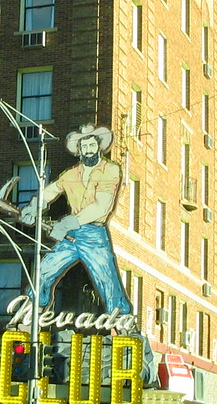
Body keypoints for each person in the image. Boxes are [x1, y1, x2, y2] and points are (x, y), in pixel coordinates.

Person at [18, 123, 133, 316]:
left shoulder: (110, 170)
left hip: (94, 235)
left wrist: (67, 223)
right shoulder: (71, 174)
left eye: (92, 145)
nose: (88, 150)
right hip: (71, 235)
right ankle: (33, 311)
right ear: (79, 150)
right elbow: (50, 191)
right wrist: (33, 207)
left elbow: (101, 206)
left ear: (99, 147)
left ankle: (123, 323)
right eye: (84, 146)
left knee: (107, 280)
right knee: (45, 270)